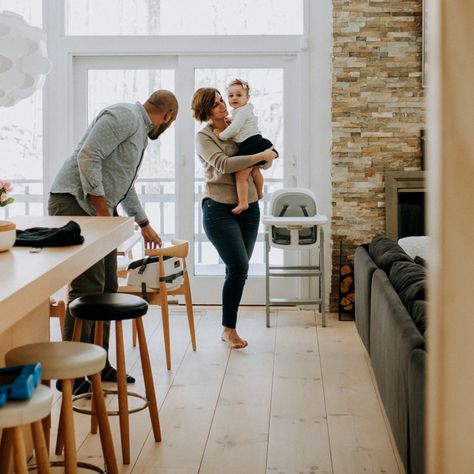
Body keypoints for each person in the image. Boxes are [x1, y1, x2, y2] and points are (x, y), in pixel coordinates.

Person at [48, 90, 178, 394]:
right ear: (168, 116)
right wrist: (103, 209)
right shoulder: (124, 115)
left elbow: (123, 184)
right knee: (87, 289)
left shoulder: (139, 131)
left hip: (96, 208)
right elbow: (88, 156)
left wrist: (143, 222)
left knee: (107, 288)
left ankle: (98, 362)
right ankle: (73, 373)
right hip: (76, 202)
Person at [191, 87, 278, 349]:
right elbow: (224, 165)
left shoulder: (237, 125)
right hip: (218, 209)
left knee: (238, 269)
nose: (223, 106)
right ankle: (229, 329)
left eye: (222, 101)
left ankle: (228, 327)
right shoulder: (204, 137)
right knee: (239, 266)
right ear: (205, 111)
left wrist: (264, 157)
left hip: (249, 207)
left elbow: (267, 158)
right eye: (216, 104)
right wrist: (260, 157)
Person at [215, 79, 277, 215]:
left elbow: (235, 129)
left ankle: (243, 203)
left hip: (252, 143)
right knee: (254, 171)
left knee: (240, 175)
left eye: (239, 95)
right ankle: (259, 192)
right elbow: (239, 125)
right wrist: (231, 120)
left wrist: (221, 135)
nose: (234, 98)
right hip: (255, 142)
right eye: (230, 96)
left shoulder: (242, 112)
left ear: (247, 98)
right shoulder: (242, 112)